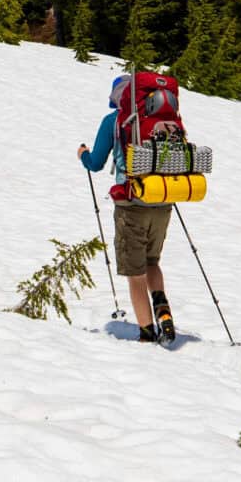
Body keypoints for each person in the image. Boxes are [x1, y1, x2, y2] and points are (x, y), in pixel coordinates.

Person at [80, 79, 177, 345]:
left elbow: (96, 163)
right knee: (152, 261)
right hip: (162, 198)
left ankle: (147, 331)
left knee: (135, 271)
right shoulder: (159, 116)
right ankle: (162, 308)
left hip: (131, 203)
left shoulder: (114, 120)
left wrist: (83, 155)